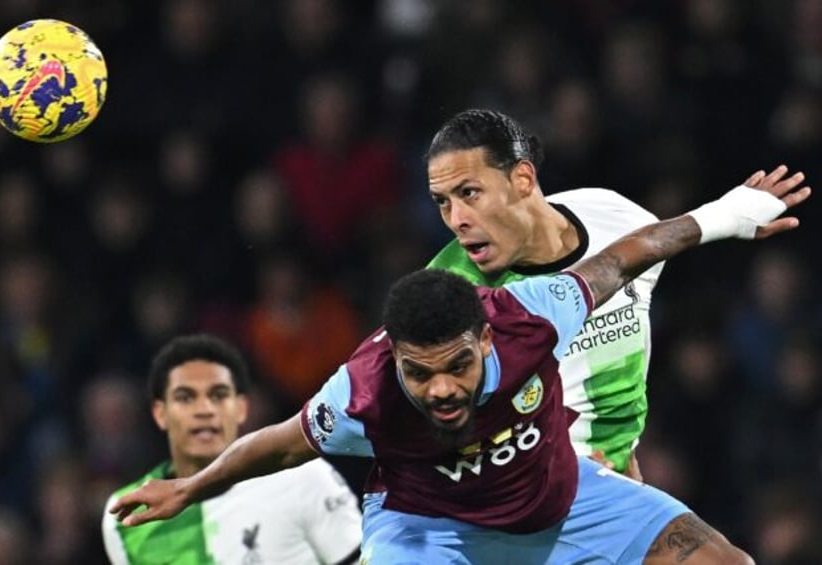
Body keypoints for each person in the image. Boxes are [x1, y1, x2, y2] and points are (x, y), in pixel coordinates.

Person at [110, 168, 810, 563]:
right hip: (428, 528)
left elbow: (631, 251)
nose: (440, 389)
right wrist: (191, 488)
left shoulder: (531, 315)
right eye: (420, 374)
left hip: (558, 501)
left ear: (486, 338)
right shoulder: (363, 392)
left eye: (456, 366)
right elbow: (282, 441)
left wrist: (728, 212)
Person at [424, 108, 663, 477]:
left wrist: (625, 468)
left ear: (522, 179)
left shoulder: (620, 220)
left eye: (469, 193)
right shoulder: (447, 294)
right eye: (442, 201)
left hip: (618, 487)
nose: (456, 219)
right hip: (519, 499)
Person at [101, 333, 362, 565]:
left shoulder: (303, 476)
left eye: (218, 395)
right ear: (160, 414)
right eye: (185, 397)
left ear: (241, 409)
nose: (204, 410)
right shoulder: (126, 514)